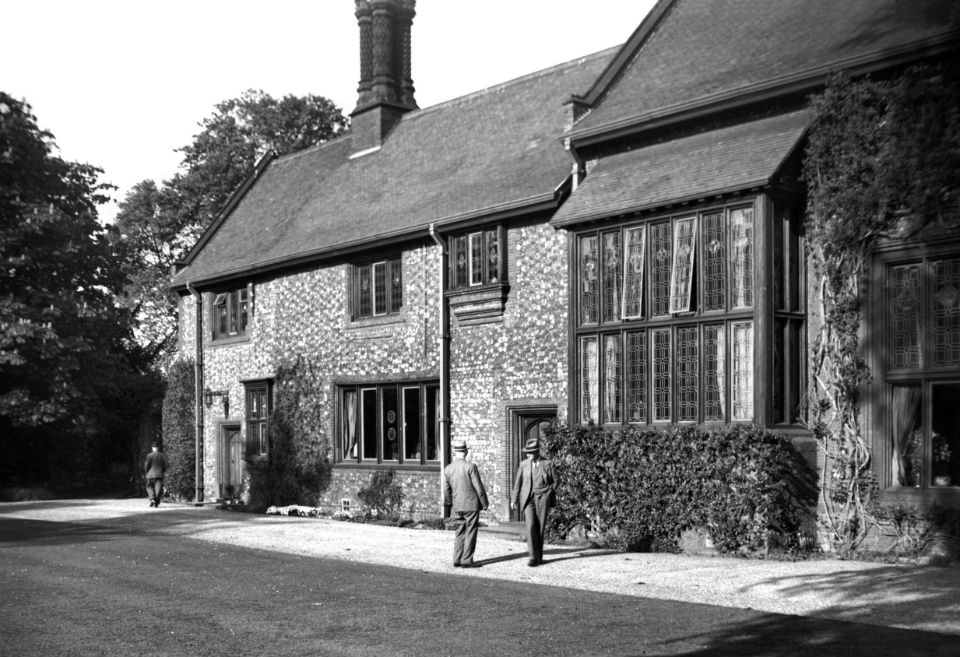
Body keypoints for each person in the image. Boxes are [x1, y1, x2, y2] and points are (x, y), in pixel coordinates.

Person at [443, 439, 489, 568]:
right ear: (466, 452)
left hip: (457, 505)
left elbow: (446, 489)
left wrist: (449, 502)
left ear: (454, 452)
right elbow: (478, 487)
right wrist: (484, 502)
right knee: (471, 531)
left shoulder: (448, 469)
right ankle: (467, 560)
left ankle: (457, 559)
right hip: (471, 505)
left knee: (460, 531)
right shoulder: (471, 467)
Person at [511, 436, 556, 567]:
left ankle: (539, 557)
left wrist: (548, 492)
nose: (528, 454)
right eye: (527, 452)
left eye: (530, 452)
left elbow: (556, 481)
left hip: (542, 498)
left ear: (537, 452)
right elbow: (517, 483)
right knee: (530, 526)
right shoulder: (523, 464)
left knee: (540, 527)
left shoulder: (548, 464)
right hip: (528, 499)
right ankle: (532, 557)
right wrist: (514, 499)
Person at [144, 441, 169, 508]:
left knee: (149, 487)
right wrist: (163, 470)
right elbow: (167, 464)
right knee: (158, 488)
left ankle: (152, 499)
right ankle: (156, 502)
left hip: (150, 474)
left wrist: (146, 471)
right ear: (158, 448)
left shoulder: (149, 455)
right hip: (159, 474)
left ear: (153, 448)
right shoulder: (163, 455)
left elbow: (146, 465)